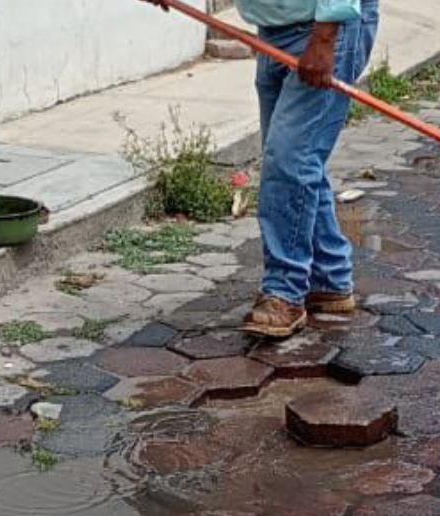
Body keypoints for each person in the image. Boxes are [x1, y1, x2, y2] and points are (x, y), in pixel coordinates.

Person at [139, 0, 380, 337]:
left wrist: (324, 39)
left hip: (325, 28)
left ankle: (284, 293)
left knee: (290, 161)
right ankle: (328, 279)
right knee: (295, 159)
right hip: (275, 27)